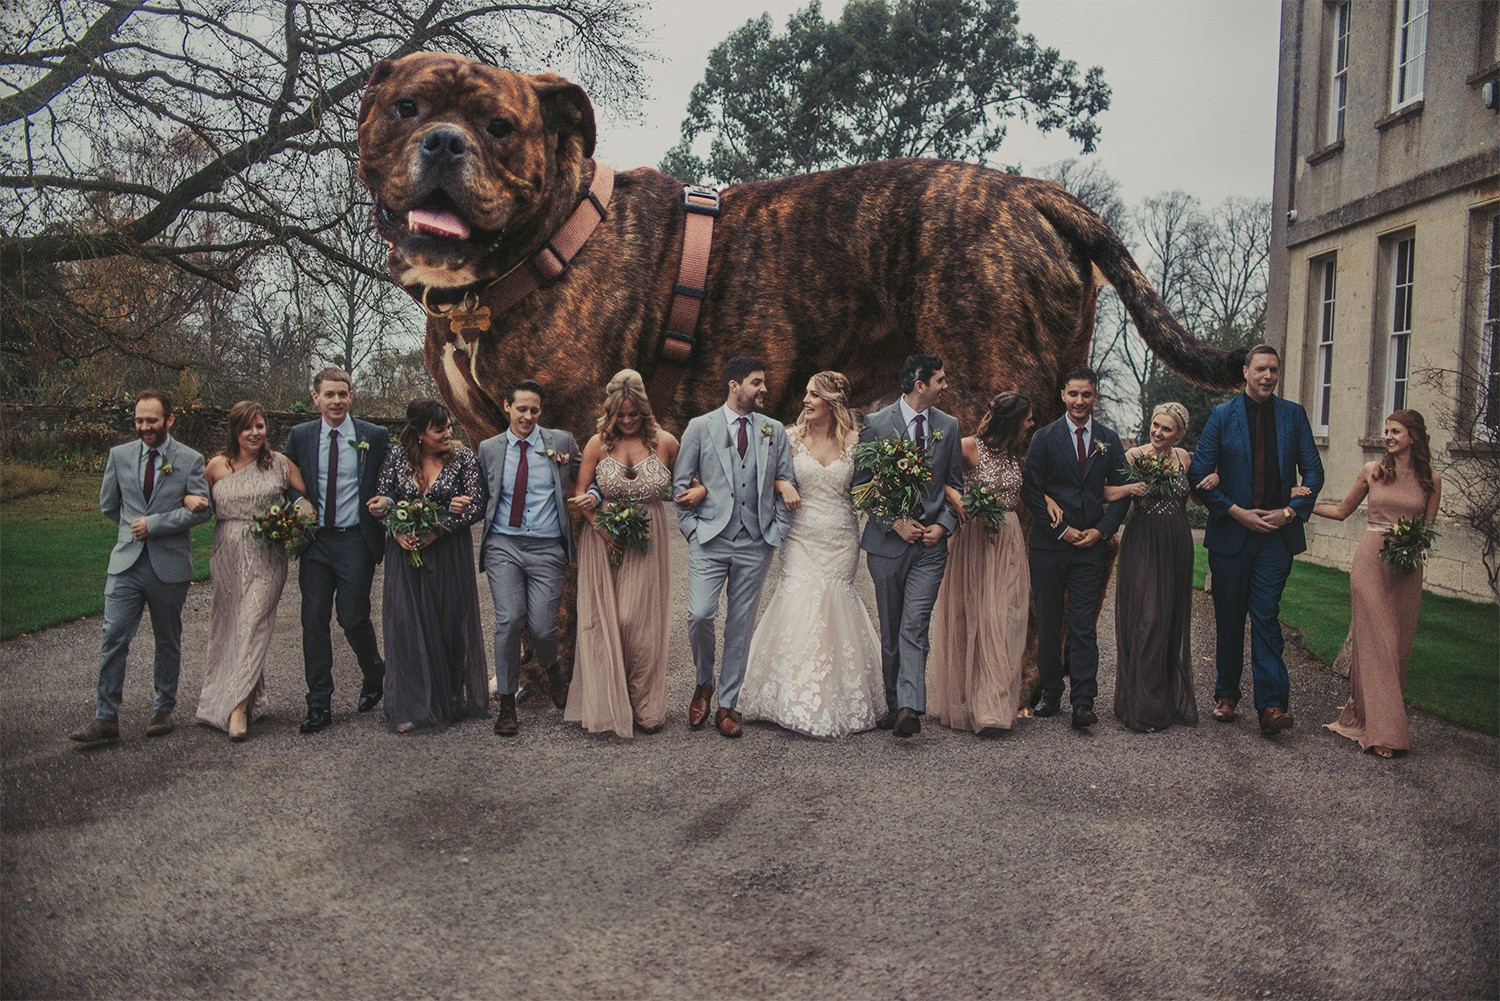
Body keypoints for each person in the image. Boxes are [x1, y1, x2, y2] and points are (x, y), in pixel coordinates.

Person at [738, 371, 884, 738]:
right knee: (798, 599)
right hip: (800, 534)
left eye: (814, 395)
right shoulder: (789, 438)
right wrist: (782, 483)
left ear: (832, 403)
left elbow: (863, 491)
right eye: (806, 393)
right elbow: (758, 474)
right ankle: (788, 697)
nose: (805, 400)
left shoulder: (857, 442)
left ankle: (832, 698)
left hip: (840, 536)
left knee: (834, 602)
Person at [1189, 344, 1324, 736]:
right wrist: (1235, 511)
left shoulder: (1293, 416)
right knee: (1230, 618)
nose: (1268, 376)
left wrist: (1289, 512)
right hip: (1232, 535)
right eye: (1261, 369)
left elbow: (1314, 472)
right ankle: (1226, 695)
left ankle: (1272, 706)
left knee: (1265, 616)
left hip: (1275, 538)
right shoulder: (1222, 416)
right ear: (1246, 372)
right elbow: (1198, 473)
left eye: (1274, 370)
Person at [70, 389, 213, 744]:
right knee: (114, 636)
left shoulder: (190, 459)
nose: (145, 427)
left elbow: (203, 510)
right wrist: (131, 530)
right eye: (139, 420)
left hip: (169, 566)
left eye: (152, 420)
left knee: (167, 640)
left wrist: (155, 524)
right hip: (126, 564)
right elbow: (109, 505)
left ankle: (163, 709)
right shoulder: (118, 456)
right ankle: (105, 718)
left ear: (169, 420)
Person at [673, 357, 796, 739]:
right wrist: (692, 530)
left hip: (755, 543)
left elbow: (787, 481)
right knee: (699, 614)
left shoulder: (773, 430)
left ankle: (727, 704)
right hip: (710, 539)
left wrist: (775, 533)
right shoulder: (700, 427)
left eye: (763, 382)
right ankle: (703, 681)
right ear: (734, 385)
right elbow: (680, 485)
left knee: (740, 625)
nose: (764, 389)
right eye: (756, 382)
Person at [1310, 409, 1440, 758]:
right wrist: (1302, 503)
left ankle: (1370, 716)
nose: (1388, 437)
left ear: (1413, 436)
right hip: (1371, 564)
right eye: (1387, 431)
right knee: (1378, 643)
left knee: (1397, 647)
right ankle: (1386, 733)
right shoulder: (1373, 471)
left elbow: (1427, 531)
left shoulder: (1431, 479)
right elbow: (1342, 511)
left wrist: (1411, 543)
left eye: (1396, 431)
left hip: (1406, 568)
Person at [566, 370, 681, 738]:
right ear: (610, 413)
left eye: (634, 414)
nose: (628, 421)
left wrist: (699, 492)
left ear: (644, 410)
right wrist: (601, 526)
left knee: (637, 623)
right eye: (621, 415)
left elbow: (688, 483)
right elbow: (581, 493)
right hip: (604, 539)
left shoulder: (666, 442)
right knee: (605, 623)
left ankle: (643, 703)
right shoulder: (597, 444)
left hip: (648, 538)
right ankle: (611, 705)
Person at [855, 353, 964, 739]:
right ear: (920, 385)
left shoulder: (949, 426)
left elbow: (955, 486)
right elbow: (860, 486)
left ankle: (908, 707)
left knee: (914, 625)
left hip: (930, 550)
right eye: (940, 380)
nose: (945, 386)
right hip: (887, 545)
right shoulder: (876, 424)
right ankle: (892, 703)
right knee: (891, 627)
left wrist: (944, 526)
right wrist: (894, 522)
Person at [367, 399, 489, 733]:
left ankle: (449, 698)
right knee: (407, 626)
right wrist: (396, 530)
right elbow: (382, 501)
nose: (449, 433)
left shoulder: (463, 457)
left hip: (448, 552)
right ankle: (412, 705)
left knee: (449, 623)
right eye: (440, 429)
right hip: (405, 554)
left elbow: (478, 503)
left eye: (449, 426)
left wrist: (440, 527)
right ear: (420, 433)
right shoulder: (397, 457)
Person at [1018, 366, 1130, 730]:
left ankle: (1084, 701)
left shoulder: (1109, 439)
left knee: (1083, 625)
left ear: (1095, 397)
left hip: (1089, 548)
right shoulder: (1045, 438)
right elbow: (1031, 489)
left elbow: (1124, 491)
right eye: (1073, 394)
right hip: (1049, 546)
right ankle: (1051, 692)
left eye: (1086, 394)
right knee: (1049, 623)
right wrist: (1062, 530)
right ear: (1063, 396)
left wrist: (1102, 531)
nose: (1079, 401)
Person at [282, 368, 391, 735]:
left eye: (342, 394)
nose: (336, 401)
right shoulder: (301, 436)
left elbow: (393, 476)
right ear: (316, 398)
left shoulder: (373, 436)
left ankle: (374, 672)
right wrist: (297, 500)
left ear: (351, 396)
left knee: (353, 618)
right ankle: (319, 703)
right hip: (315, 542)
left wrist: (387, 498)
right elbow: (283, 477)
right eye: (329, 394)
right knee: (313, 619)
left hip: (355, 540)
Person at [195, 401, 312, 741]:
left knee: (253, 623)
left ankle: (238, 708)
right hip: (228, 555)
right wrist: (190, 501)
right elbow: (198, 504)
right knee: (230, 626)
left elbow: (304, 498)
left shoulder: (279, 464)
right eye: (248, 427)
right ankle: (247, 697)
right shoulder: (216, 465)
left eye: (260, 426)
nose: (255, 433)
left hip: (267, 555)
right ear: (235, 431)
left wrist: (298, 517)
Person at [477, 379, 580, 737]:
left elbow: (588, 478)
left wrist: (595, 496)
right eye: (521, 408)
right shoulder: (489, 449)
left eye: (534, 410)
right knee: (508, 620)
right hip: (503, 545)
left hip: (547, 547)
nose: (528, 416)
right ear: (507, 407)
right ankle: (507, 705)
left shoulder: (561, 443)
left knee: (542, 627)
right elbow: (481, 494)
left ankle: (552, 668)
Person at [929, 391, 1034, 736]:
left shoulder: (1014, 452)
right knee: (972, 616)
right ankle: (968, 703)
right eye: (1027, 419)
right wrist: (956, 496)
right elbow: (932, 468)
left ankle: (994, 704)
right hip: (975, 538)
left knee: (1004, 618)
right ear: (1012, 421)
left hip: (1008, 538)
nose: (1031, 424)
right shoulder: (968, 447)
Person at [1104, 402, 1209, 733]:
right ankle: (1142, 706)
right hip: (1144, 539)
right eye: (1155, 425)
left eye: (1166, 428)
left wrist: (1213, 478)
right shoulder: (1134, 456)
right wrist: (1129, 489)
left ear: (1179, 434)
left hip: (1177, 541)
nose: (1158, 432)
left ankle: (1161, 701)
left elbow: (1197, 497)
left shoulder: (1185, 459)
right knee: (1147, 617)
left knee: (1168, 619)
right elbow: (1104, 491)